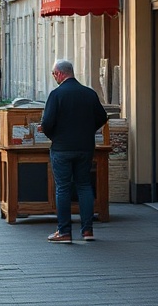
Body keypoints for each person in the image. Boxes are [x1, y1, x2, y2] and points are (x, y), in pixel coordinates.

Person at [40, 59, 109, 243]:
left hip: (62, 148)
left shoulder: (56, 95)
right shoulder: (89, 94)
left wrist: (54, 135)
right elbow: (102, 117)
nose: (54, 77)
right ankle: (87, 231)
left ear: (61, 73)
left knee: (63, 188)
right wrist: (88, 130)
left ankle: (64, 232)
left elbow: (46, 123)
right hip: (85, 147)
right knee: (84, 186)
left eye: (54, 74)